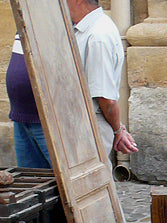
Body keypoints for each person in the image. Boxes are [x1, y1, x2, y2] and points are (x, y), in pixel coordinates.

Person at [68, 0, 137, 155]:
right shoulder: (86, 29)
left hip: (90, 127)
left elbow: (106, 99)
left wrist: (118, 130)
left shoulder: (98, 35)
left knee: (91, 179)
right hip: (81, 124)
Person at [7, 36, 51, 168]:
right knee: (31, 177)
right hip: (21, 118)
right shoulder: (25, 22)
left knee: (65, 180)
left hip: (47, 121)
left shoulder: (59, 24)